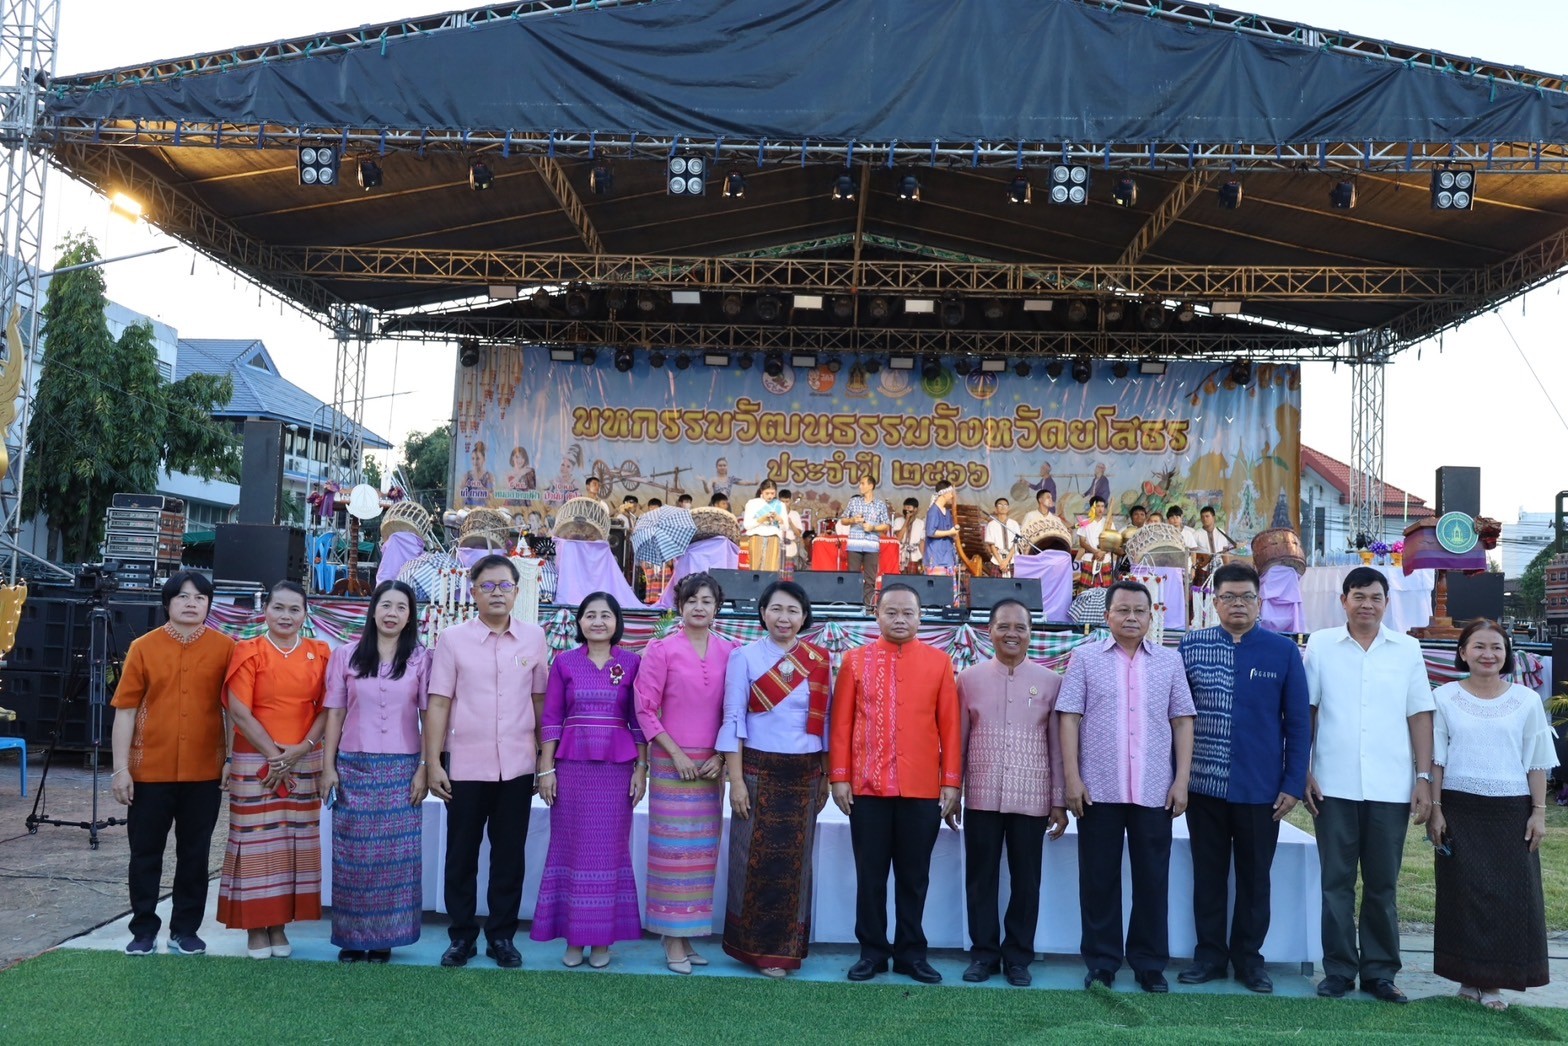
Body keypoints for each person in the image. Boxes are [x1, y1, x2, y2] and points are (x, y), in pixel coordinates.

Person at [1176, 563, 1310, 993]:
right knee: (1208, 876)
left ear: (1260, 602)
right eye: (1229, 597)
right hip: (1203, 785)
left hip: (1261, 789)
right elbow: (1175, 715)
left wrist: (1292, 783)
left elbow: (1298, 724)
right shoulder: (1191, 647)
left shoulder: (1282, 651)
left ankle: (1250, 960)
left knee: (1254, 879)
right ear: (1214, 603)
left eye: (1247, 597)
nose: (1238, 604)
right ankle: (1210, 957)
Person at [1304, 566, 1435, 1004]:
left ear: (1387, 603)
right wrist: (1302, 768)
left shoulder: (1407, 649)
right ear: (1343, 600)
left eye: (1375, 597)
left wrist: (1422, 779)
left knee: (1382, 884)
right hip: (1332, 785)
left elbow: (1419, 715)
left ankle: (1380, 972)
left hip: (1390, 785)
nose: (1367, 604)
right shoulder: (1321, 644)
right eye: (1358, 596)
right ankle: (1339, 970)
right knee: (1335, 882)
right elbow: (1308, 710)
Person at [1058, 580, 1196, 993]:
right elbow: (1069, 717)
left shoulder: (1169, 661)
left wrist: (1181, 780)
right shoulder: (1085, 659)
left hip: (1154, 789)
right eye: (1123, 610)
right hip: (1097, 789)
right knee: (1098, 879)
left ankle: (1149, 964)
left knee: (1152, 879)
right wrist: (1072, 778)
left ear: (1151, 617)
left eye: (1139, 611)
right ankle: (1102, 962)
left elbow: (1182, 721)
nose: (1131, 617)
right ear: (1107, 616)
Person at [831, 584, 961, 985]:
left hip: (922, 788)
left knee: (914, 876)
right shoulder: (855, 661)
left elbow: (950, 726)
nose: (900, 619)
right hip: (867, 787)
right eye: (891, 612)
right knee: (870, 875)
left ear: (920, 617)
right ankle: (871, 952)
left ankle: (911, 954)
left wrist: (951, 782)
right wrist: (839, 777)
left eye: (908, 613)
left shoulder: (939, 662)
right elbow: (841, 724)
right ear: (877, 615)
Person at [424, 554, 549, 969]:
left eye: (505, 585)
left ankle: (501, 936)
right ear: (473, 592)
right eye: (488, 586)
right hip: (465, 766)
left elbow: (540, 702)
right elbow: (438, 703)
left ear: (517, 591)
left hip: (517, 765)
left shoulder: (534, 638)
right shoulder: (452, 639)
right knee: (461, 855)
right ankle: (461, 936)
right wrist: (433, 762)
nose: (497, 593)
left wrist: (542, 759)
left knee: (509, 856)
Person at [1427, 620, 1556, 1011]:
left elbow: (1536, 762)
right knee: (1463, 894)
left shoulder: (1526, 701)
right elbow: (1436, 760)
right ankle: (1468, 978)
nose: (1488, 654)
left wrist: (1538, 813)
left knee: (1510, 896)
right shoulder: (1444, 697)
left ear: (1507, 654)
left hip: (1511, 811)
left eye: (1497, 647)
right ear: (1462, 652)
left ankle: (1496, 982)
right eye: (1479, 646)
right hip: (1459, 809)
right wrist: (1435, 809)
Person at [111, 571, 235, 956]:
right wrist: (120, 769)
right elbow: (125, 710)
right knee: (145, 853)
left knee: (195, 855)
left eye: (199, 597)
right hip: (149, 770)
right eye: (182, 596)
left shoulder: (226, 648)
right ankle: (143, 930)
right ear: (167, 603)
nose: (191, 603)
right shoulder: (143, 647)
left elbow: (233, 711)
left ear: (209, 604)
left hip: (205, 771)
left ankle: (185, 929)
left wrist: (231, 758)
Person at [716, 579, 832, 978]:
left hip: (804, 774)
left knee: (795, 866)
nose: (784, 617)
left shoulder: (819, 658)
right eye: (777, 609)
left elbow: (825, 722)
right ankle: (752, 948)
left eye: (793, 611)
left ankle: (786, 950)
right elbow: (733, 718)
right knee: (751, 859)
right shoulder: (744, 657)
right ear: (763, 612)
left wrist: (826, 776)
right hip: (756, 771)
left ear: (804, 617)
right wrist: (736, 780)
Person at [532, 593, 648, 969]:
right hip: (571, 769)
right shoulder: (564, 662)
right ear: (579, 622)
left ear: (617, 622)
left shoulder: (632, 663)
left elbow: (639, 721)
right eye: (590, 615)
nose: (598, 621)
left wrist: (641, 768)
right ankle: (573, 938)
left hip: (617, 771)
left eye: (605, 615)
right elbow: (551, 717)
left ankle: (601, 940)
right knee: (569, 848)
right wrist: (546, 769)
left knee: (609, 852)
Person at [217, 581, 331, 960]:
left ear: (305, 614)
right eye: (278, 607)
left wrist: (301, 750)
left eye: (294, 609)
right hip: (255, 760)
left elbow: (328, 709)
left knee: (292, 842)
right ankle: (255, 927)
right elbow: (239, 711)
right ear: (265, 610)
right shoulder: (248, 651)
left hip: (304, 760)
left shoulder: (320, 653)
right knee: (255, 842)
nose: (286, 616)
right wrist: (275, 757)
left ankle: (280, 925)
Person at [954, 599, 1066, 987]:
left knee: (1026, 881)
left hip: (1032, 797)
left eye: (1020, 627)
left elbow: (1056, 745)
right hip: (981, 794)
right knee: (980, 879)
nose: (1012, 634)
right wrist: (953, 791)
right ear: (990, 631)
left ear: (1031, 633)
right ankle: (983, 955)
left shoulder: (1050, 682)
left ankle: (1018, 957)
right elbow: (959, 741)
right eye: (1004, 626)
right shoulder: (968, 680)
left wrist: (1058, 799)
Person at [319, 580, 430, 964]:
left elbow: (429, 715)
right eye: (385, 605)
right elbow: (335, 713)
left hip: (403, 769)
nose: (392, 613)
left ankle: (385, 938)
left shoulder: (420, 659)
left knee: (395, 859)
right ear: (373, 610)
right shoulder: (346, 655)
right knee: (353, 854)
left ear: (410, 616)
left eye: (401, 607)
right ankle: (351, 938)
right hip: (354, 766)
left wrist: (425, 768)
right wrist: (328, 767)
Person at [634, 574, 737, 973]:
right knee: (672, 853)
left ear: (717, 608)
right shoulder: (661, 650)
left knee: (701, 853)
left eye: (707, 601)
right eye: (692, 600)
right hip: (670, 762)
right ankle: (671, 936)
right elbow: (644, 709)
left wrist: (722, 757)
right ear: (680, 605)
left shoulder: (731, 651)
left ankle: (687, 932)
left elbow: (735, 711)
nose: (699, 607)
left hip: (711, 766)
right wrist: (675, 754)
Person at [843, 474, 892, 607]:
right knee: (853, 577)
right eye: (860, 484)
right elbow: (843, 520)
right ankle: (853, 606)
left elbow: (886, 525)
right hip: (855, 544)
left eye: (863, 483)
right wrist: (853, 520)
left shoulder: (880, 505)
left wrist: (873, 527)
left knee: (870, 578)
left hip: (872, 545)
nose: (860, 486)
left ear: (871, 486)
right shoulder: (854, 502)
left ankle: (868, 607)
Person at [742, 480, 788, 572]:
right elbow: (747, 525)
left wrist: (779, 519)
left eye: (772, 493)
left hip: (774, 538)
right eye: (767, 493)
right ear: (761, 491)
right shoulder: (752, 503)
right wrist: (762, 519)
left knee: (771, 569)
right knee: (755, 568)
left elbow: (785, 527)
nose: (770, 496)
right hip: (756, 537)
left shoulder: (780, 505)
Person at [923, 485, 960, 583]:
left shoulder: (947, 512)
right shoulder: (933, 511)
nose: (952, 496)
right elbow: (931, 532)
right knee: (938, 587)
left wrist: (954, 532)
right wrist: (950, 532)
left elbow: (950, 531)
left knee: (948, 588)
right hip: (936, 558)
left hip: (947, 557)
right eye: (951, 493)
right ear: (944, 493)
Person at [983, 497, 1022, 577]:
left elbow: (1016, 544)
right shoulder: (991, 525)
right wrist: (1001, 562)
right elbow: (992, 545)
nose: (1003, 507)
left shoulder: (1014, 524)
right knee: (997, 584)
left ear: (1008, 508)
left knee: (1014, 583)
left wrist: (1006, 560)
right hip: (997, 560)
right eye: (1000, 505)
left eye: (1005, 505)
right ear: (996, 509)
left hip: (1012, 559)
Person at [891, 497, 925, 573]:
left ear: (915, 509)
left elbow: (922, 542)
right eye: (905, 507)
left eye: (909, 508)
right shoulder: (898, 520)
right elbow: (899, 538)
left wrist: (924, 558)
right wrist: (906, 521)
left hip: (916, 556)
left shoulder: (921, 523)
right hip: (901, 555)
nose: (906, 510)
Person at [460, 442, 495, 506]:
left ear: (484, 459)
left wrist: (480, 486)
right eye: (473, 459)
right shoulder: (467, 476)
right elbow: (460, 495)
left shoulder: (489, 476)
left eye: (478, 459)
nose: (475, 462)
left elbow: (491, 497)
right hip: (469, 509)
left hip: (484, 509)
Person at [779, 488, 806, 570]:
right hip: (777, 547)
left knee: (788, 572)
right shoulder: (775, 514)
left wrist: (790, 523)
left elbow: (799, 534)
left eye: (786, 501)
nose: (784, 504)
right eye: (782, 502)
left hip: (790, 547)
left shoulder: (795, 514)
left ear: (790, 501)